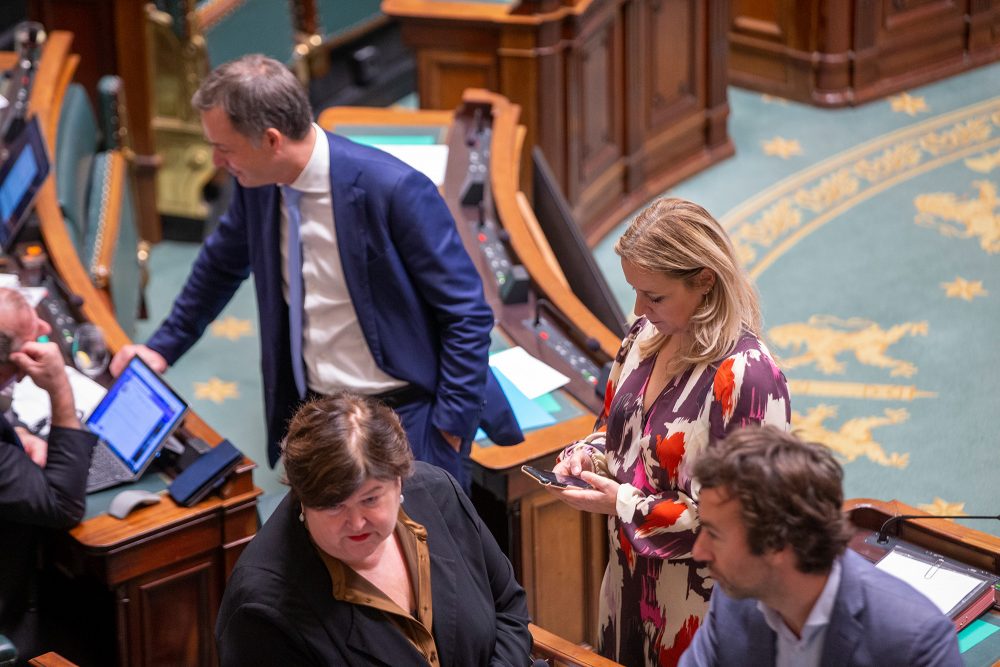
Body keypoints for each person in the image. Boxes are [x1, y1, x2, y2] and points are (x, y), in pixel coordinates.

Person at [109, 54, 520, 489]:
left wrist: (448, 430)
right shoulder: (259, 185)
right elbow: (219, 266)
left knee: (416, 550)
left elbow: (467, 314)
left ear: (271, 140)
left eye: (224, 148)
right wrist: (163, 347)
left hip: (405, 414)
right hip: (319, 410)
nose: (216, 161)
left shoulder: (393, 189)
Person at [548, 198, 791, 666]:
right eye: (635, 291)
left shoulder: (748, 377)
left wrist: (619, 502)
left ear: (704, 281)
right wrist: (586, 456)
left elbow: (739, 524)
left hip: (699, 611)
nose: (638, 308)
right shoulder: (643, 336)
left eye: (654, 296)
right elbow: (613, 431)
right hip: (626, 584)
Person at [215, 392, 533, 666]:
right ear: (302, 498)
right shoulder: (260, 611)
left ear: (399, 479)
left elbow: (507, 605)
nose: (356, 523)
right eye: (334, 505)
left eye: (370, 499)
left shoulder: (438, 492)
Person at [680, 425, 962, 667]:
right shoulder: (733, 599)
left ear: (777, 544)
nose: (699, 551)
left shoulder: (915, 643)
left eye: (714, 535)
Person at [0, 288, 96, 659]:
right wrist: (59, 389)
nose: (46, 328)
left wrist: (18, 433)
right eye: (34, 333)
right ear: (17, 360)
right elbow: (64, 503)